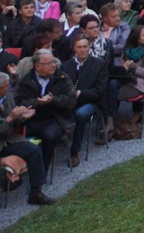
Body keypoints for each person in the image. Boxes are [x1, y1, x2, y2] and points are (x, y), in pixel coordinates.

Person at [14, 49, 75, 173]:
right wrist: (37, 102)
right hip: (31, 119)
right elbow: (19, 101)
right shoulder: (27, 80)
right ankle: (16, 172)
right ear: (38, 66)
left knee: (49, 136)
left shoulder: (62, 78)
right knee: (13, 136)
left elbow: (71, 101)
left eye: (53, 62)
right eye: (49, 63)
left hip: (55, 118)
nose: (53, 65)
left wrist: (53, 100)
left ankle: (41, 173)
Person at [0, 71, 55, 205]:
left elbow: (15, 123)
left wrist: (22, 117)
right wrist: (9, 119)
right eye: (7, 86)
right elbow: (8, 122)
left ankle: (36, 192)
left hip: (8, 140)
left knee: (33, 150)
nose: (9, 87)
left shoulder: (8, 97)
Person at [64, 32, 106, 165]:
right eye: (79, 47)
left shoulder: (99, 64)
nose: (82, 50)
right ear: (74, 48)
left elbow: (100, 90)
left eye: (85, 47)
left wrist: (81, 93)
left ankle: (74, 150)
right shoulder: (66, 66)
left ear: (89, 47)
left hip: (92, 101)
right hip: (70, 101)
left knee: (80, 114)